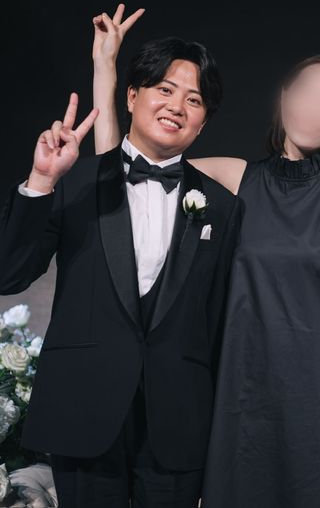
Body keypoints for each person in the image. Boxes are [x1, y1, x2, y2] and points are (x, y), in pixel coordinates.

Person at [92, 5, 320, 507]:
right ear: (285, 97)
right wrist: (105, 72)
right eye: (306, 91)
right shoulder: (232, 176)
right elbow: (124, 170)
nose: (314, 107)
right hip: (247, 396)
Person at [0, 26, 241, 507]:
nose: (177, 106)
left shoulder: (221, 206)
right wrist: (41, 180)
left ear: (203, 122)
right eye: (165, 90)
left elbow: (219, 321)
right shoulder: (74, 181)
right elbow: (10, 273)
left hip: (178, 422)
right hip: (83, 409)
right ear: (132, 96)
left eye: (194, 100)